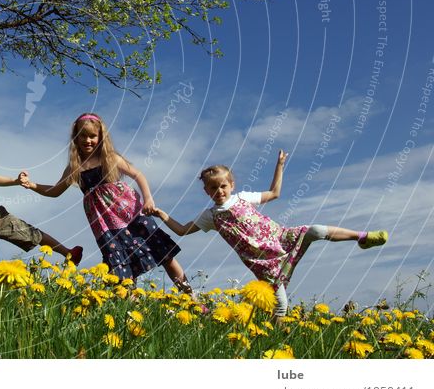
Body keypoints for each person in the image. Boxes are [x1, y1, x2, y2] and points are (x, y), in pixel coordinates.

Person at [154, 149, 388, 316]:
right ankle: (273, 339)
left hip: (280, 238)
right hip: (261, 262)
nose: (219, 191)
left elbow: (274, 193)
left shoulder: (243, 197)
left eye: (223, 186)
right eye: (213, 188)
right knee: (281, 306)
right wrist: (162, 214)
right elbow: (182, 231)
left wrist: (279, 166)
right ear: (206, 191)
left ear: (232, 185)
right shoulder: (210, 216)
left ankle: (362, 237)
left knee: (315, 230)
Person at [20, 112, 192, 292]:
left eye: (92, 136)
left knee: (162, 251)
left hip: (129, 213)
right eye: (83, 136)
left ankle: (190, 296)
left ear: (101, 137)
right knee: (119, 262)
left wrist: (148, 198)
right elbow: (55, 191)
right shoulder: (74, 167)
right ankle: (130, 306)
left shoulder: (110, 158)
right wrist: (32, 185)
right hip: (104, 223)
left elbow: (138, 175)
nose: (88, 140)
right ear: (76, 139)